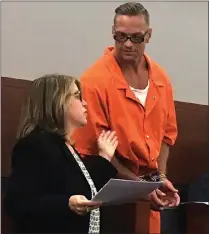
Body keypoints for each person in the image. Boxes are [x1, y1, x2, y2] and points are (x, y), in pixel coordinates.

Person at [72, 2, 180, 233]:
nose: (127, 44)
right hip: (110, 194)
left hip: (147, 191)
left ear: (148, 35)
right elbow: (94, 150)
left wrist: (158, 178)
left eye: (136, 38)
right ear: (113, 32)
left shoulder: (160, 77)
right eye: (120, 37)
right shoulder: (94, 80)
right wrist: (139, 185)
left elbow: (167, 136)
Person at [4, 74, 119, 234]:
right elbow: (18, 203)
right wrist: (66, 203)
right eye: (78, 96)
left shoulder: (65, 146)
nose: (85, 103)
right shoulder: (36, 144)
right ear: (57, 102)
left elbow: (86, 194)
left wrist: (105, 157)